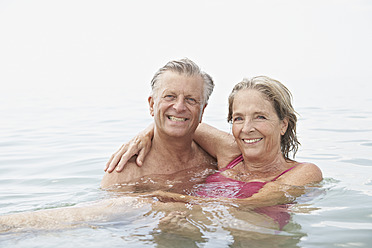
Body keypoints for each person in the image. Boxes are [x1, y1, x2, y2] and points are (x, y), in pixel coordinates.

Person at [105, 76, 323, 206]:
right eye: (238, 118)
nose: (247, 128)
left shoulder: (304, 173)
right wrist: (146, 133)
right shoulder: (230, 152)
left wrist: (156, 199)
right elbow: (181, 120)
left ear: (283, 124)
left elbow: (246, 205)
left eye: (260, 117)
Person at [100, 58, 217, 189]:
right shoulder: (126, 174)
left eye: (190, 99)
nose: (179, 107)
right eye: (169, 96)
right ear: (152, 104)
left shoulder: (215, 160)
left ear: (203, 110)